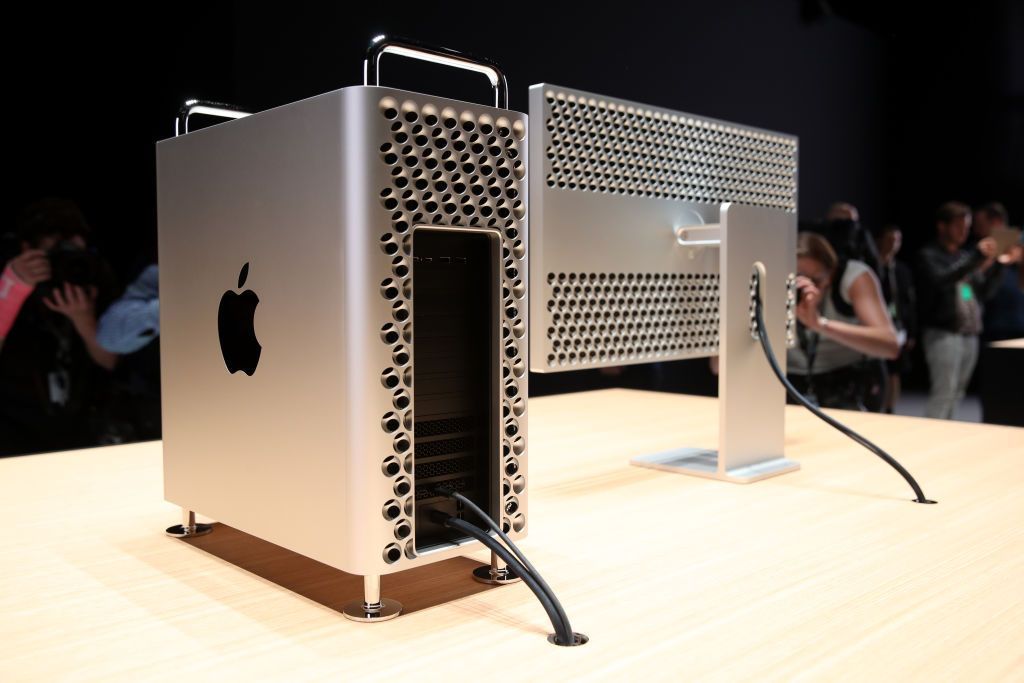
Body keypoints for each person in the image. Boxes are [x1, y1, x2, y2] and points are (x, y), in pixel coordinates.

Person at [0, 199, 119, 456]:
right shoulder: (9, 280)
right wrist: (13, 287)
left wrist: (84, 321)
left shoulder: (93, 277)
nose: (66, 259)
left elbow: (111, 362)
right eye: (55, 250)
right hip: (14, 428)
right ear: (26, 249)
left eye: (73, 245)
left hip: (82, 430)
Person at [786, 232, 899, 410]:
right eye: (796, 281)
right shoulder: (766, 279)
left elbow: (889, 345)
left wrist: (820, 324)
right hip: (790, 380)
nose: (806, 289)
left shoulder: (853, 277)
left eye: (816, 280)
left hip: (848, 381)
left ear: (831, 274)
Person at [916, 201, 1004, 420]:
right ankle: (930, 439)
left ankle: (947, 435)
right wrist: (975, 257)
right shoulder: (929, 255)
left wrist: (1000, 262)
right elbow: (942, 280)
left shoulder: (963, 257)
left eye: (966, 226)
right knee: (944, 392)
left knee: (957, 393)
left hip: (969, 332)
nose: (963, 231)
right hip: (943, 332)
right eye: (958, 226)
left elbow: (982, 292)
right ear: (942, 226)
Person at [874, 225, 917, 413]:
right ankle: (876, 404)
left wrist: (911, 330)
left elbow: (909, 302)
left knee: (895, 369)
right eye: (890, 239)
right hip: (875, 323)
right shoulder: (872, 267)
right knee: (878, 368)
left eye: (897, 240)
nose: (893, 244)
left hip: (897, 324)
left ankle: (891, 408)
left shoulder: (902, 270)